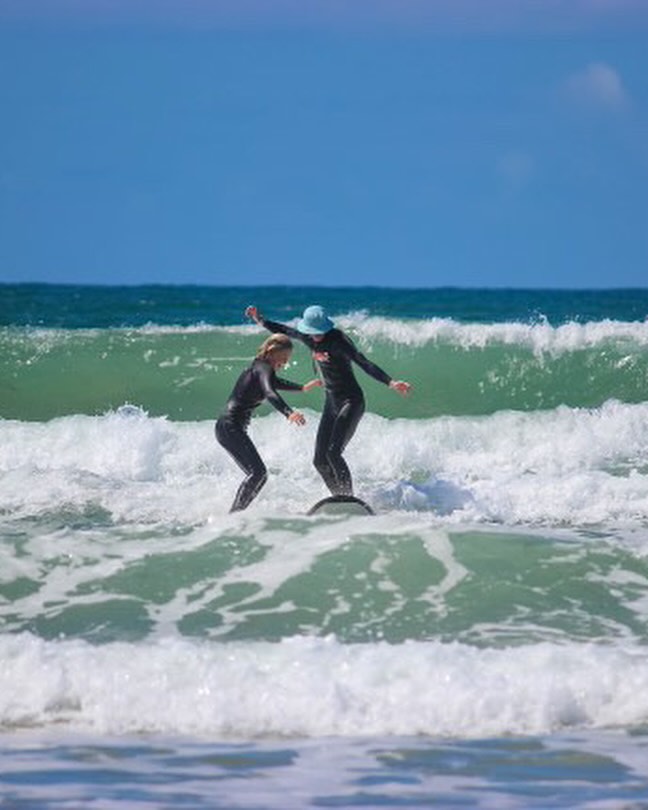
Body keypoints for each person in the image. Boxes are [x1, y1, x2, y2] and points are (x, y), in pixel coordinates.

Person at [246, 304, 411, 497]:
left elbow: (363, 362)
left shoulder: (339, 341)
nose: (315, 337)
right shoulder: (308, 337)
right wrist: (260, 320)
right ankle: (339, 498)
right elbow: (285, 330)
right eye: (312, 333)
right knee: (319, 461)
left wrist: (391, 382)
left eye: (319, 333)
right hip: (332, 402)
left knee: (333, 453)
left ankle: (349, 498)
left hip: (351, 401)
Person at [216, 333, 321, 512]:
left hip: (227, 428)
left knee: (257, 474)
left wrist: (302, 388)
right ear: (272, 353)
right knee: (258, 474)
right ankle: (234, 515)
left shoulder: (259, 368)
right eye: (284, 358)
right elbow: (270, 391)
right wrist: (289, 413)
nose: (285, 363)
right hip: (230, 426)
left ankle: (235, 513)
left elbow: (274, 383)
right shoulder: (264, 368)